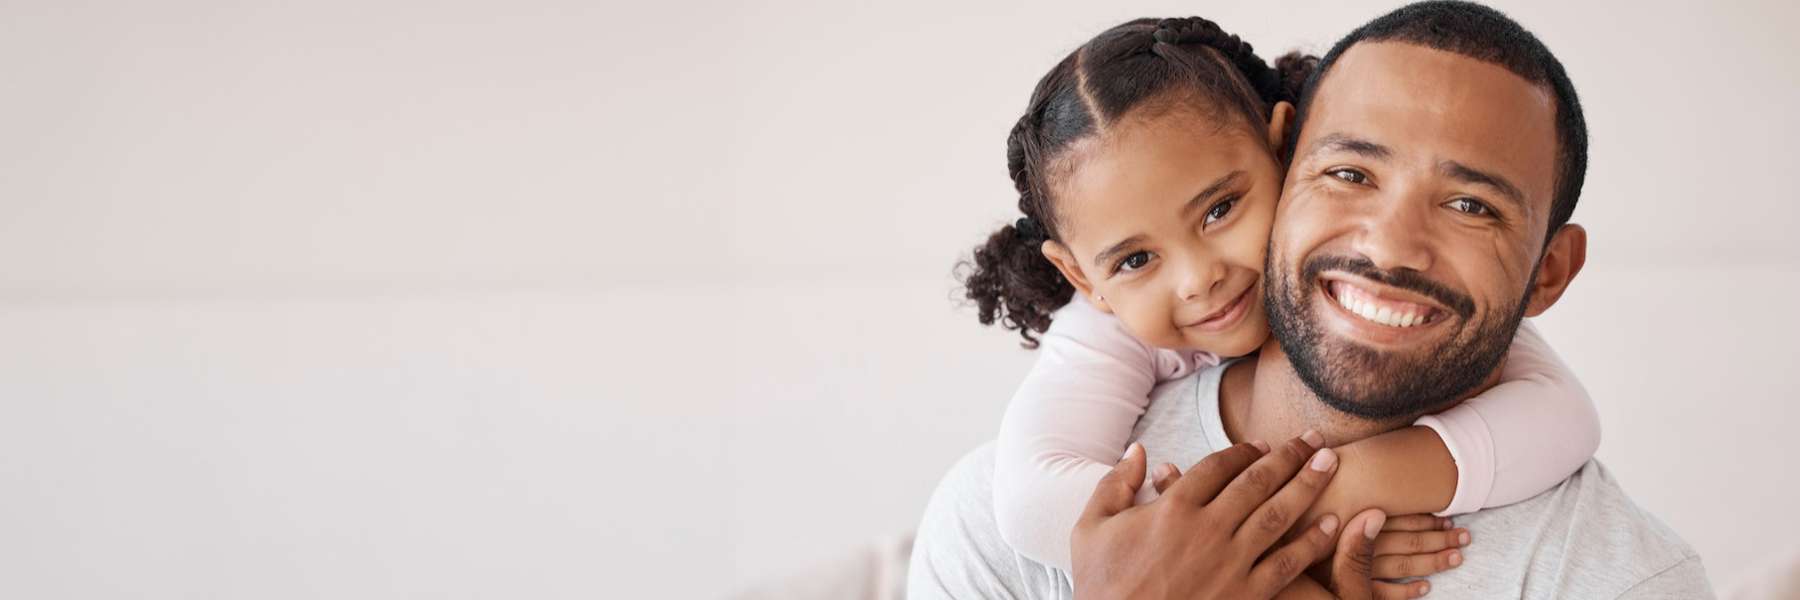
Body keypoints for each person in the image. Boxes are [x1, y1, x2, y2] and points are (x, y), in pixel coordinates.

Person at [910, 2, 1712, 598]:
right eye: (1351, 173)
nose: (1391, 247)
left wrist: (1298, 514)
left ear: (1548, 271)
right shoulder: (997, 522)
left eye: (1472, 206)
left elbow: (1562, 415)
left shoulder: (1626, 578)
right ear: (1291, 159)